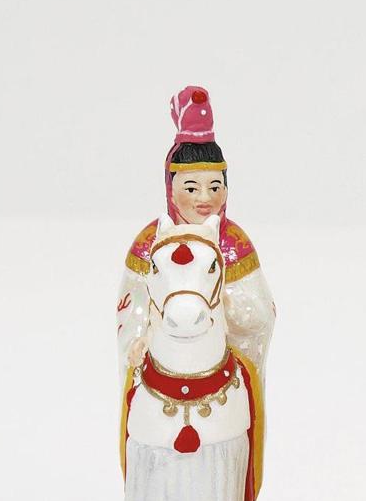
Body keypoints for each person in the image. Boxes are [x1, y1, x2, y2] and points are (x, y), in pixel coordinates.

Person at [116, 85, 275, 473]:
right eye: (192, 187)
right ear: (171, 190)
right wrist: (137, 339)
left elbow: (261, 313)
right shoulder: (150, 244)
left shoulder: (234, 245)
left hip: (217, 373)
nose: (205, 198)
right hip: (162, 371)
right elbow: (133, 304)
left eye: (214, 186)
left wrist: (225, 308)